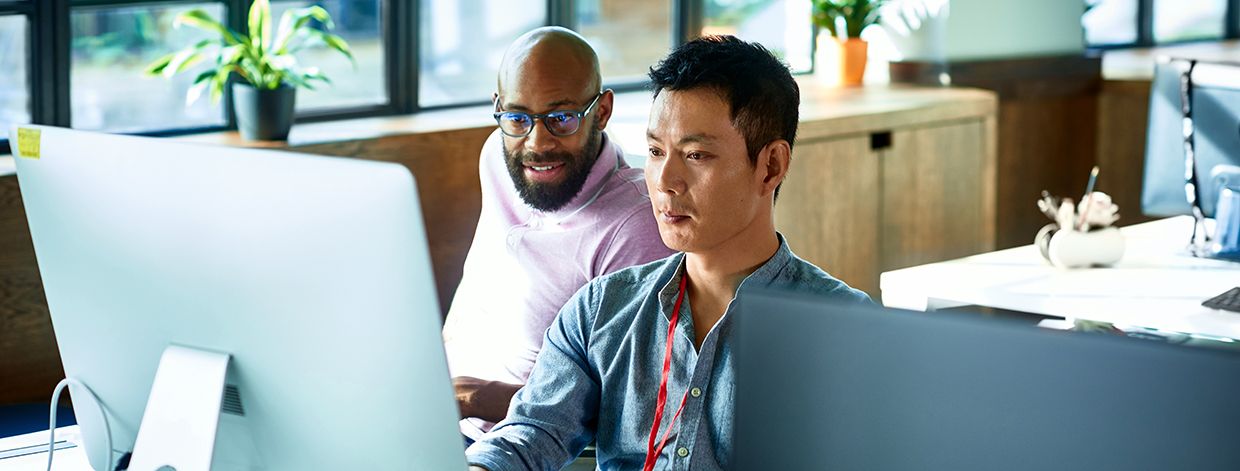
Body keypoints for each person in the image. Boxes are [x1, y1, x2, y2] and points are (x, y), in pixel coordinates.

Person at [465, 35, 872, 471]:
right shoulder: (600, 310)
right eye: (656, 151)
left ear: (770, 165)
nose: (665, 181)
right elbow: (532, 433)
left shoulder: (848, 330)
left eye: (696, 155)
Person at [441, 27, 675, 442]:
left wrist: (472, 397)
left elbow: (627, 408)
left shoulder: (636, 225)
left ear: (601, 112)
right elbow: (478, 280)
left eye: (561, 118)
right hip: (439, 414)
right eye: (517, 117)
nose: (537, 142)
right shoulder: (497, 155)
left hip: (523, 445)